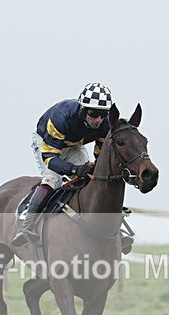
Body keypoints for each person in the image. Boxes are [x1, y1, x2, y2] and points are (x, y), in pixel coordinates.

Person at [12, 82, 113, 247]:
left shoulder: (105, 124)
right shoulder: (62, 116)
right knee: (54, 180)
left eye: (103, 114)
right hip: (47, 143)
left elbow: (99, 155)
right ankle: (27, 225)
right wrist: (74, 169)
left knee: (90, 179)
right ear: (83, 109)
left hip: (73, 145)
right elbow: (51, 159)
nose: (98, 120)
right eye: (94, 114)